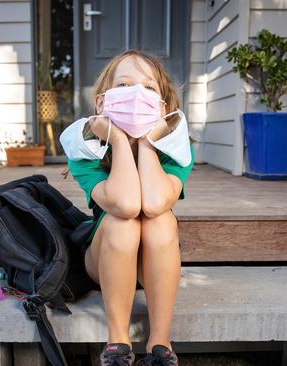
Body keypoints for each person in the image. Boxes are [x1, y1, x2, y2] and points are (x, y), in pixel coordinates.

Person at [59, 49, 194, 366]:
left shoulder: (176, 151)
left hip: (152, 264)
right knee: (124, 221)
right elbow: (126, 204)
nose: (135, 94)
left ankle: (159, 341)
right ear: (101, 102)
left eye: (148, 88)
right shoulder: (85, 150)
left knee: (160, 220)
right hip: (106, 258)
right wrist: (119, 141)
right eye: (123, 85)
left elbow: (156, 202)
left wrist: (147, 143)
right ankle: (117, 341)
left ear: (162, 107)